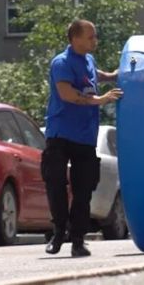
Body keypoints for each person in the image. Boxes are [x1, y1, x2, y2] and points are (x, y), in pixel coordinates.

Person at [42, 19, 123, 257]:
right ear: (75, 38)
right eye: (90, 37)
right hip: (60, 134)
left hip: (85, 136)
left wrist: (113, 76)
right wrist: (100, 100)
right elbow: (67, 94)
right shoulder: (61, 63)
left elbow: (95, 76)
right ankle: (58, 232)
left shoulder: (88, 60)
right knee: (56, 183)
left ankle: (78, 240)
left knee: (84, 189)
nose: (95, 40)